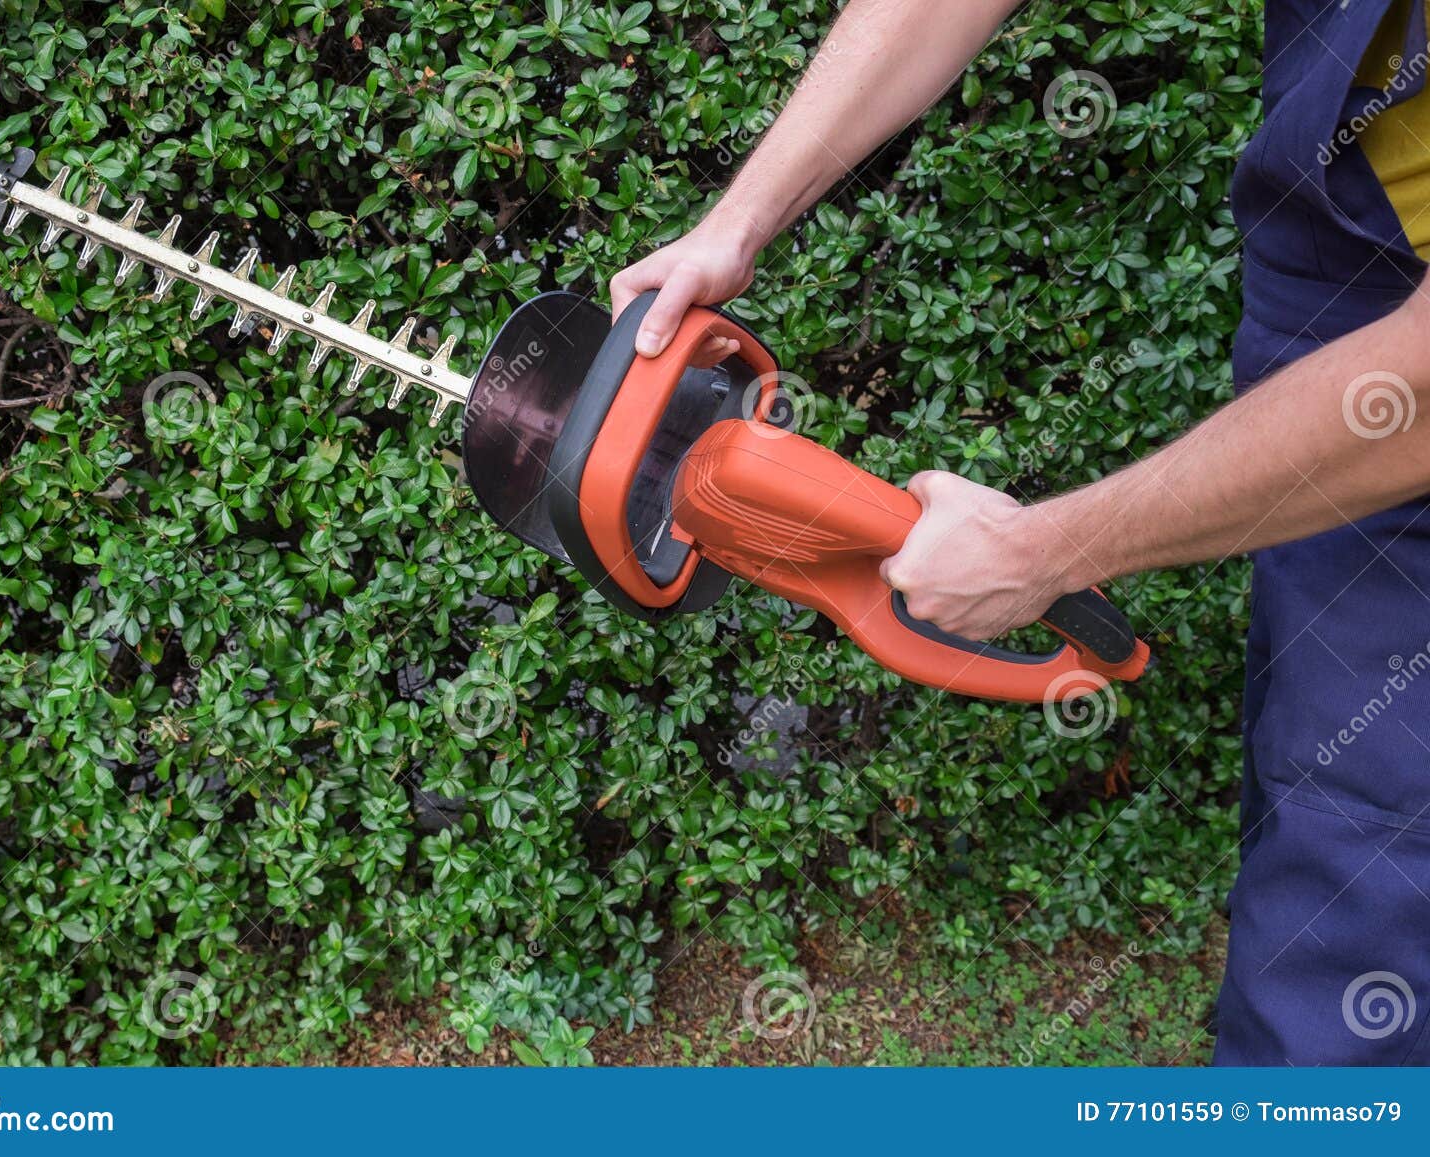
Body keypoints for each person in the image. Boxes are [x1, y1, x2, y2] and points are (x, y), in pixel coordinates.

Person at [611, 0, 1430, 1065]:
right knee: (1323, 744)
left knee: (1355, 883)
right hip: (1345, 232)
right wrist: (739, 220)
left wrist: (1045, 549)